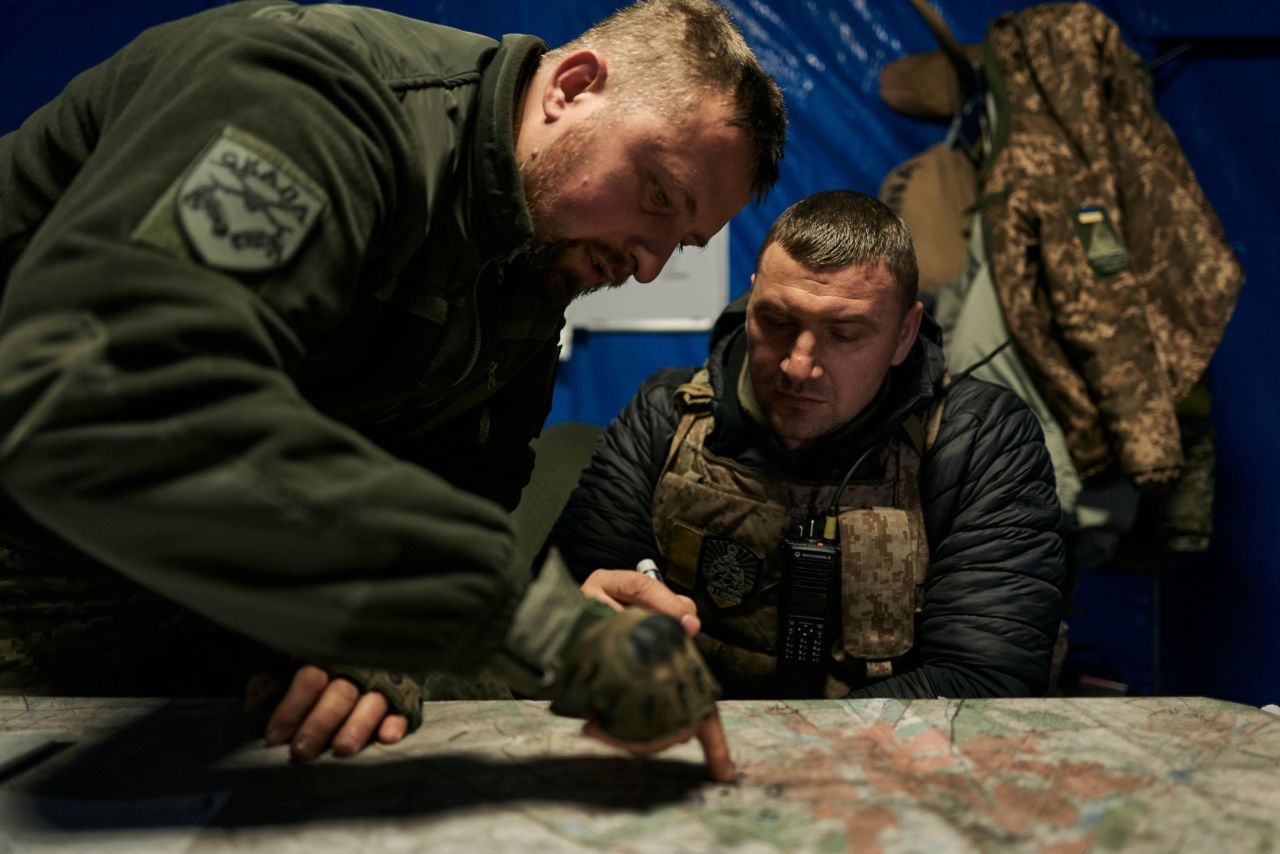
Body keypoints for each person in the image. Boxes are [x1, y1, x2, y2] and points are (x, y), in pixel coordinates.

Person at [0, 0, 786, 781]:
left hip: (220, 575)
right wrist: (554, 631)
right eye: (657, 196)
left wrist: (375, 637)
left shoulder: (537, 246)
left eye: (679, 244)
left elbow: (470, 477)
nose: (647, 265)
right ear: (572, 87)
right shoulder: (309, 101)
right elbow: (111, 402)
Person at [552, 191, 1068, 700]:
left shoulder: (977, 440)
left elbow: (983, 682)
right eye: (776, 321)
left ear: (906, 333)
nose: (798, 365)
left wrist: (777, 752)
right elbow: (563, 600)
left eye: (845, 334)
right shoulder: (668, 412)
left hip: (884, 769)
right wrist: (585, 621)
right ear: (751, 299)